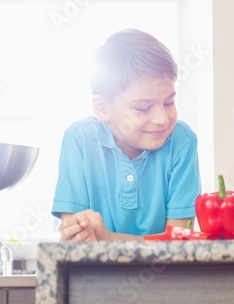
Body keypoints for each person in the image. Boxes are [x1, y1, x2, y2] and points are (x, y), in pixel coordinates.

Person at [52, 29, 202, 241]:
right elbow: (77, 242)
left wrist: (108, 239)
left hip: (165, 275)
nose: (162, 118)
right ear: (103, 108)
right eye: (143, 108)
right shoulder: (79, 140)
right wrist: (86, 236)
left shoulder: (182, 142)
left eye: (169, 102)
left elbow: (179, 245)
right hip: (95, 274)